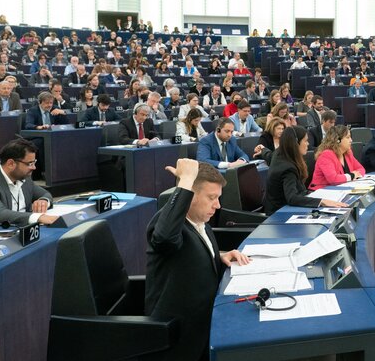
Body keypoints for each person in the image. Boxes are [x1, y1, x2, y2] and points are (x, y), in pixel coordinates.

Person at [146, 158, 251, 361]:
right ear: (189, 196)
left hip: (206, 321)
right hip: (181, 338)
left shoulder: (200, 219)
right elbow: (165, 239)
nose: (218, 205)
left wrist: (218, 256)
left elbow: (188, 253)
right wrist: (186, 180)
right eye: (212, 197)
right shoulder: (165, 223)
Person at [264, 126, 348, 214]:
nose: (308, 144)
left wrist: (262, 150)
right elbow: (292, 198)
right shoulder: (287, 168)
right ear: (296, 143)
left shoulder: (280, 154)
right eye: (305, 141)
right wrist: (321, 201)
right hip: (279, 214)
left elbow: (268, 155)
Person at [0, 139, 59, 226]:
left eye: (34, 162)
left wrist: (43, 201)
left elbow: (45, 194)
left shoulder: (23, 176)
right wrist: (37, 217)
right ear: (11, 164)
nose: (34, 167)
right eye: (30, 163)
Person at [309, 125, 367, 191]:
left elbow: (361, 169)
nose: (351, 140)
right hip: (321, 192)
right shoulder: (326, 155)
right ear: (337, 140)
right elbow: (333, 180)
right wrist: (352, 175)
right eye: (348, 137)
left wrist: (353, 175)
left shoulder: (348, 153)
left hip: (341, 190)